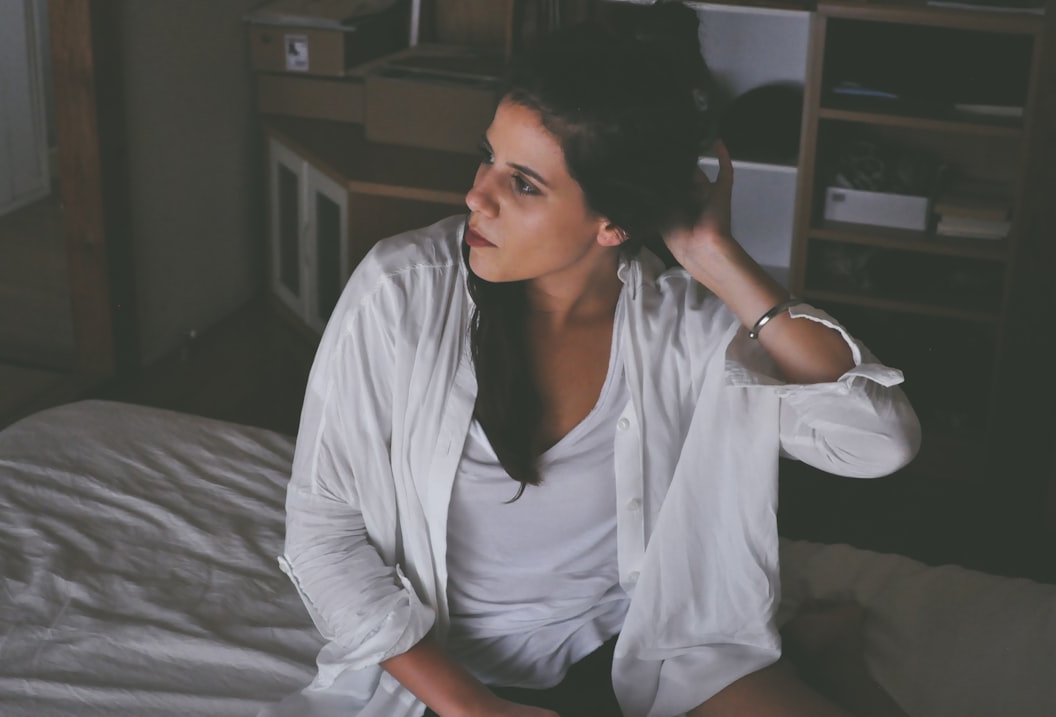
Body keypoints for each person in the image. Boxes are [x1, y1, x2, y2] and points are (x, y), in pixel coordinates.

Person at [262, 4, 922, 717]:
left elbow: (878, 442)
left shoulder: (687, 330)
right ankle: (823, 654)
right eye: (488, 155)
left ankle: (826, 654)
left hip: (639, 650)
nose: (474, 195)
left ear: (613, 222)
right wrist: (475, 708)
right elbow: (323, 535)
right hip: (449, 674)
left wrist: (717, 259)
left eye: (523, 184)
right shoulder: (402, 290)